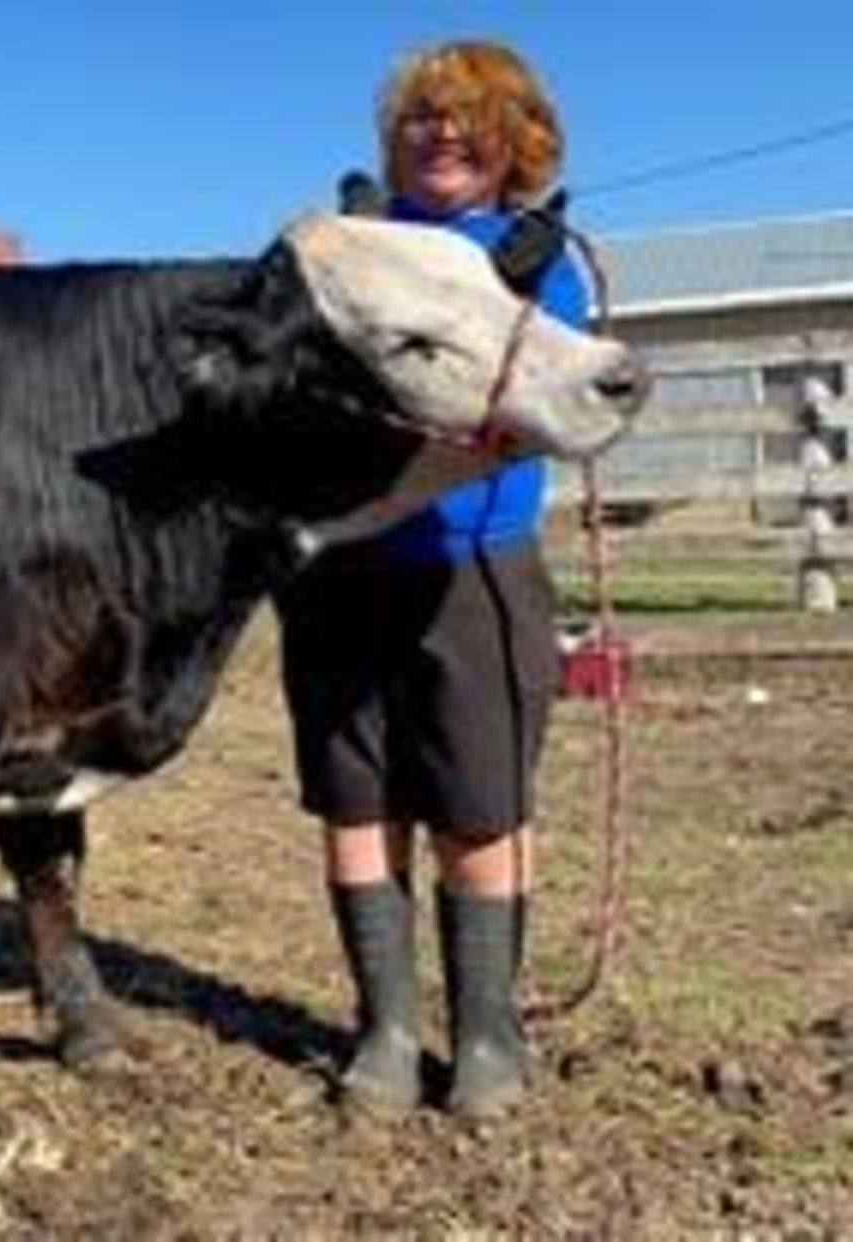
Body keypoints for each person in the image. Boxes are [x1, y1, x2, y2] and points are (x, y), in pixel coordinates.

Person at [276, 39, 588, 1119]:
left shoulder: (541, 261)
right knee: (356, 795)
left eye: (468, 118)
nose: (441, 132)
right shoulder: (348, 256)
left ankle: (490, 1035)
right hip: (335, 574)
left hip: (470, 570)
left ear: (517, 144)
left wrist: (384, 492)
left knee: (475, 805)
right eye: (421, 116)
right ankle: (388, 1031)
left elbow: (535, 412)